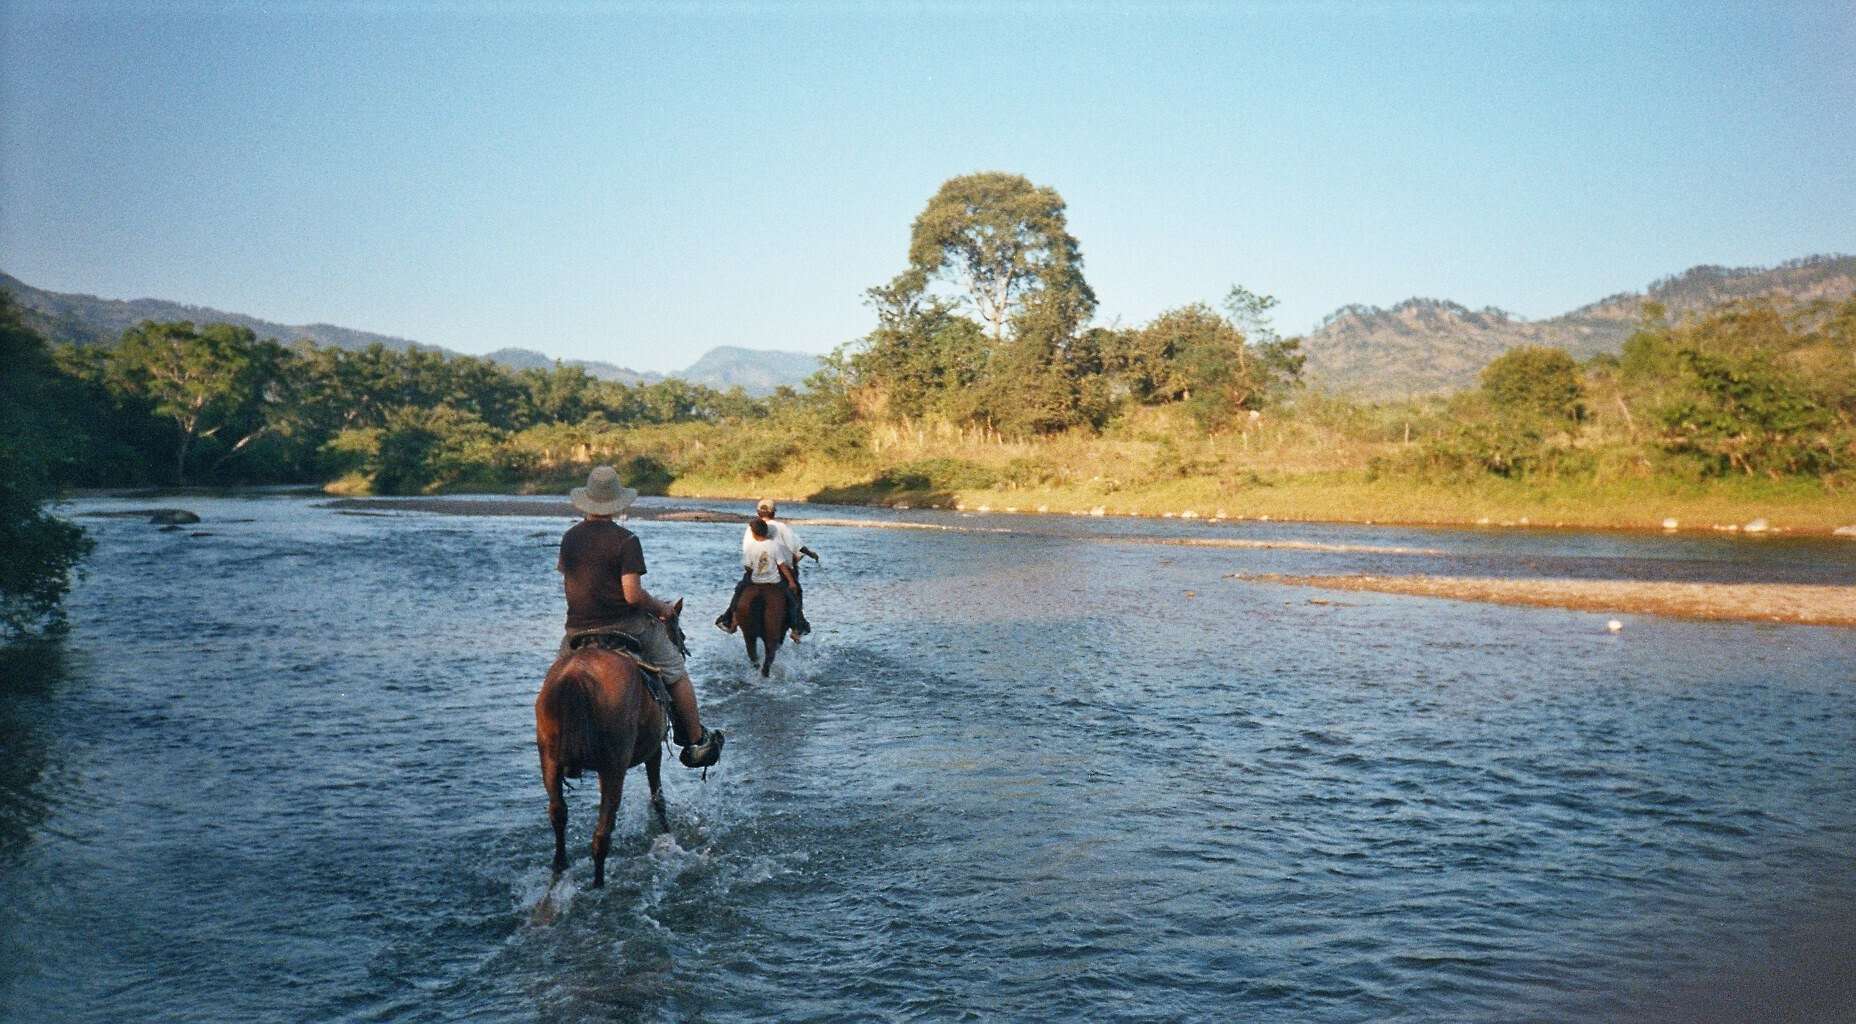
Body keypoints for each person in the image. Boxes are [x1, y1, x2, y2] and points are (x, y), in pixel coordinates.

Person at [556, 465, 722, 769]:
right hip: (625, 626)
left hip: (577, 629)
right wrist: (661, 608)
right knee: (675, 669)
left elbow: (572, 584)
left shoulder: (570, 538)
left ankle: (561, 747)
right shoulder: (626, 540)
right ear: (617, 502)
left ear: (588, 501)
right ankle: (696, 741)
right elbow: (632, 595)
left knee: (556, 681)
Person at [716, 498, 817, 639]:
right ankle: (797, 628)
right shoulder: (781, 527)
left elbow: (747, 552)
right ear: (773, 513)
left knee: (740, 590)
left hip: (757, 570)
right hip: (781, 571)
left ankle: (730, 621)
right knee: (795, 595)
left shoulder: (751, 528)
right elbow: (797, 547)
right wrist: (811, 553)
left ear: (758, 512)